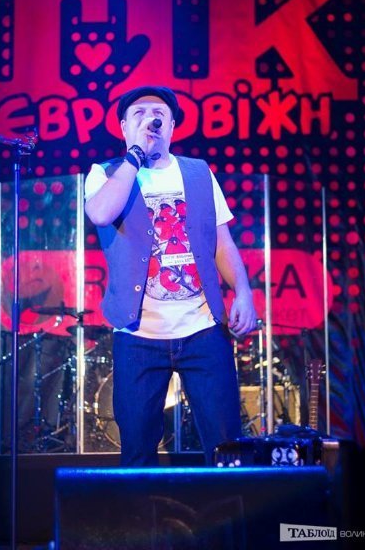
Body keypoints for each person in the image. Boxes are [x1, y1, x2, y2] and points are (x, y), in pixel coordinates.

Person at [84, 86, 257, 466]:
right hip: (138, 335)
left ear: (172, 126)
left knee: (227, 446)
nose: (151, 119)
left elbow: (222, 243)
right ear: (123, 126)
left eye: (159, 114)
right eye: (140, 114)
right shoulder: (105, 173)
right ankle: (142, 509)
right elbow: (100, 214)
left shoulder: (198, 172)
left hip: (203, 328)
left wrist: (243, 292)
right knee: (137, 449)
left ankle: (229, 508)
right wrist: (135, 156)